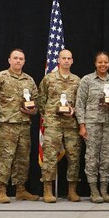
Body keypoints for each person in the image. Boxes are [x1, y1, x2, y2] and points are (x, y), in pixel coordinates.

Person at [0, 49, 39, 203]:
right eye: (15, 58)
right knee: (5, 158)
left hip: (24, 125)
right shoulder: (0, 77)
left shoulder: (29, 80)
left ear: (24, 61)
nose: (18, 61)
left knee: (23, 159)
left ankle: (21, 190)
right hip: (7, 125)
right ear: (9, 60)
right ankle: (1, 190)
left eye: (21, 59)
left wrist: (32, 110)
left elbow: (36, 102)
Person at [38, 49, 82, 203]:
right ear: (58, 60)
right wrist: (49, 115)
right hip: (53, 125)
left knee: (74, 158)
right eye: (64, 58)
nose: (66, 61)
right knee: (49, 157)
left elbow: (80, 102)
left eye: (69, 58)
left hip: (71, 125)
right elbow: (41, 100)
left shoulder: (77, 80)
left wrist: (74, 111)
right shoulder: (48, 79)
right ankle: (47, 190)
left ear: (72, 61)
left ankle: (72, 190)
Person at [76, 51, 109, 203]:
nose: (103, 64)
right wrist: (82, 125)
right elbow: (79, 104)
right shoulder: (87, 80)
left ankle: (104, 190)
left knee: (106, 157)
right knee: (92, 157)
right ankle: (94, 190)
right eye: (100, 62)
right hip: (92, 124)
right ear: (95, 63)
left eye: (105, 62)